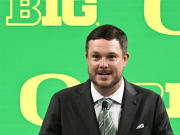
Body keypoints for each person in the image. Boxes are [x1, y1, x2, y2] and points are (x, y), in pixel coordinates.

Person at [39, 24, 174, 135]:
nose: (103, 64)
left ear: (124, 59)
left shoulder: (151, 103)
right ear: (87, 58)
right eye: (96, 57)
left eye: (111, 57)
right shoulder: (62, 102)